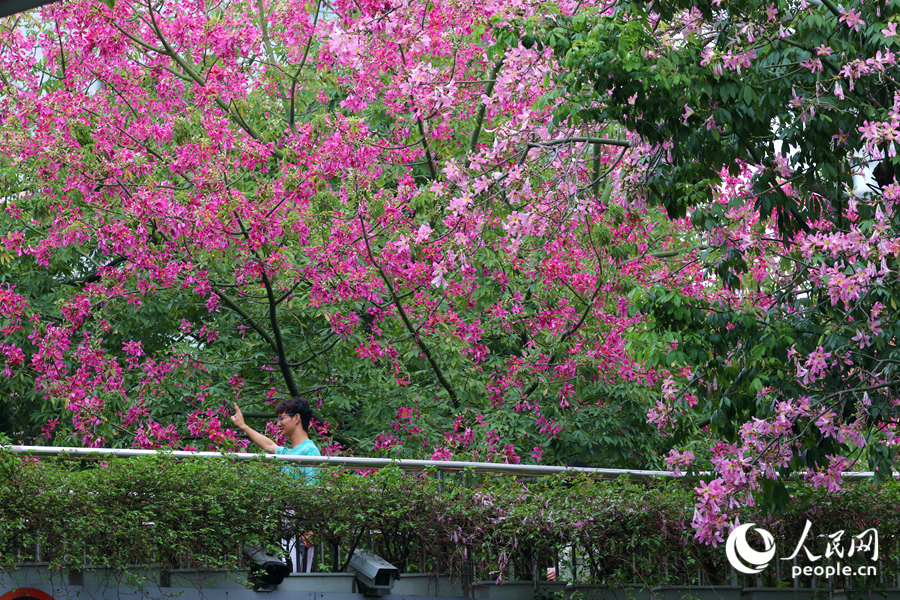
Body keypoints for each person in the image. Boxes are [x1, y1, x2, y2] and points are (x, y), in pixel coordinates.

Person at [231, 397, 321, 573]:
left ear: (296, 418)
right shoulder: (291, 452)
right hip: (288, 526)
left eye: (282, 418)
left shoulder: (309, 450)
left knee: (297, 578)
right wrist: (242, 426)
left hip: (300, 528)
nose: (278, 423)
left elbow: (313, 492)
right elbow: (269, 445)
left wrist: (309, 529)